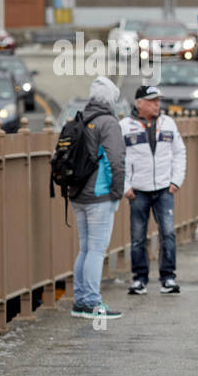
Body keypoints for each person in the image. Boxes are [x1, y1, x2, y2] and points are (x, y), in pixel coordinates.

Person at [70, 76, 127, 320]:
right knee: (96, 249)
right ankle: (92, 302)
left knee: (85, 248)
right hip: (100, 194)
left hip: (77, 193)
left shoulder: (79, 119)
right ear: (111, 99)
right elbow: (116, 160)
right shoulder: (108, 123)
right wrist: (117, 190)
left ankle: (80, 301)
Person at [121, 84, 187, 295]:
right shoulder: (125, 126)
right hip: (138, 190)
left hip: (163, 189)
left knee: (167, 233)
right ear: (139, 103)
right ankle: (139, 278)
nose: (157, 104)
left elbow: (179, 153)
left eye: (158, 100)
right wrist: (125, 186)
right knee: (138, 235)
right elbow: (117, 158)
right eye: (152, 101)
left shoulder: (168, 123)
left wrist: (176, 180)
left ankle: (168, 277)